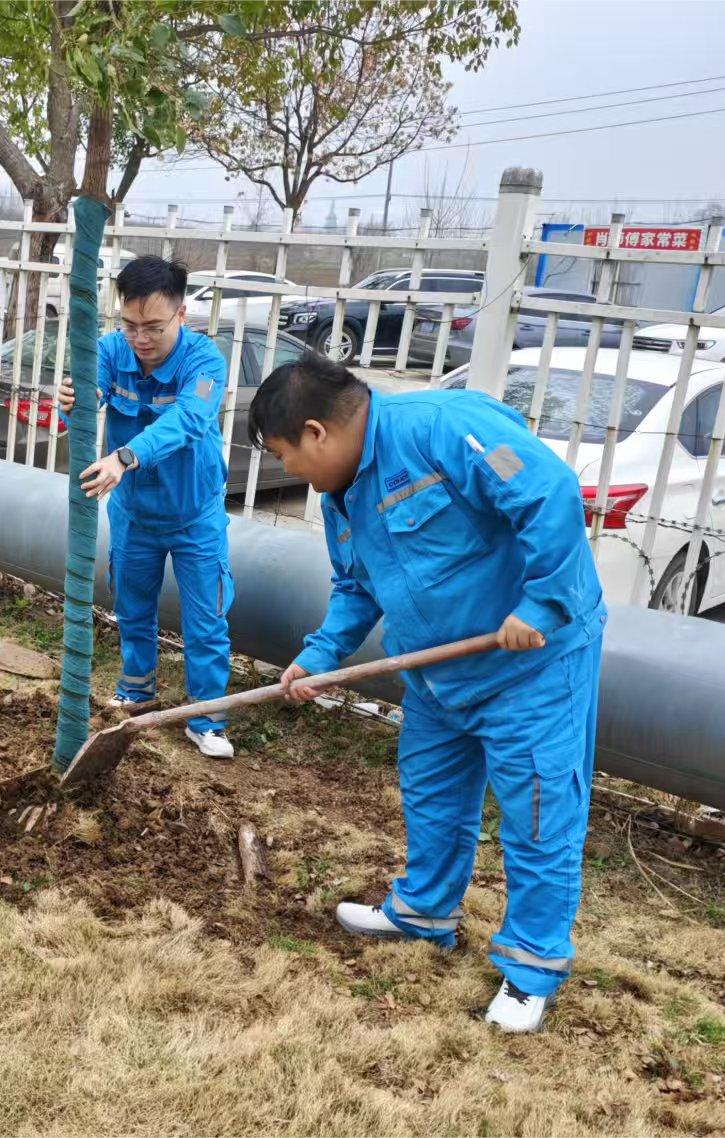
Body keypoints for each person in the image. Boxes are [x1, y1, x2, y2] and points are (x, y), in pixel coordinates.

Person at [246, 353, 607, 1033]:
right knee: (432, 796)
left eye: (288, 455)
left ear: (318, 432)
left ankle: (530, 971)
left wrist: (544, 602)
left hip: (527, 666)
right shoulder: (342, 497)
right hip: (437, 671)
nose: (289, 472)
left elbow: (548, 492)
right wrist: (319, 655)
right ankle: (424, 914)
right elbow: (356, 588)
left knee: (537, 814)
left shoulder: (448, 429)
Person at [56, 255, 236, 759]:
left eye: (154, 326)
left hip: (194, 514)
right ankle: (135, 693)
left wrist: (127, 454)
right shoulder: (111, 353)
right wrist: (72, 404)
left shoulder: (204, 363)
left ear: (181, 315)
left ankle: (207, 719)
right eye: (130, 325)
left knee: (207, 618)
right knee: (132, 608)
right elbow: (83, 408)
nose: (141, 338)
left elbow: (190, 420)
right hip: (134, 513)